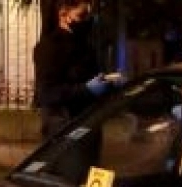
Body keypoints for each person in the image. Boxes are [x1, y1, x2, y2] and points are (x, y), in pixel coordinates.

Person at [33, 0, 118, 139]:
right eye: (82, 15)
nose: (86, 21)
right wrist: (86, 89)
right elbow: (47, 93)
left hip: (88, 126)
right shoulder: (49, 48)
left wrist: (108, 83)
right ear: (63, 14)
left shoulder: (86, 47)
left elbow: (92, 80)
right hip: (64, 130)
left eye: (89, 15)